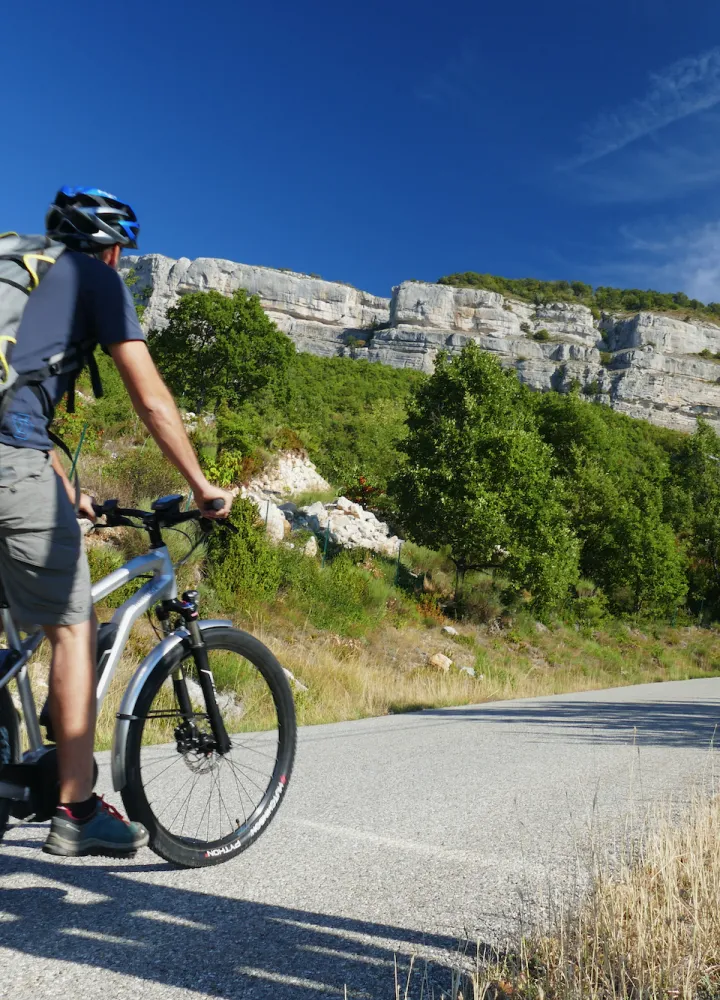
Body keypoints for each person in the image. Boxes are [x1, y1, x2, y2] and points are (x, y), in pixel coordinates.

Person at [0, 187, 233, 857]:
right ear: (111, 247)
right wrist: (201, 485)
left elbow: (18, 405)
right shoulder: (95, 281)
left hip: (21, 465)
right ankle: (75, 810)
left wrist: (64, 487)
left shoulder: (25, 284)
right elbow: (151, 399)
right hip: (12, 469)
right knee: (73, 629)